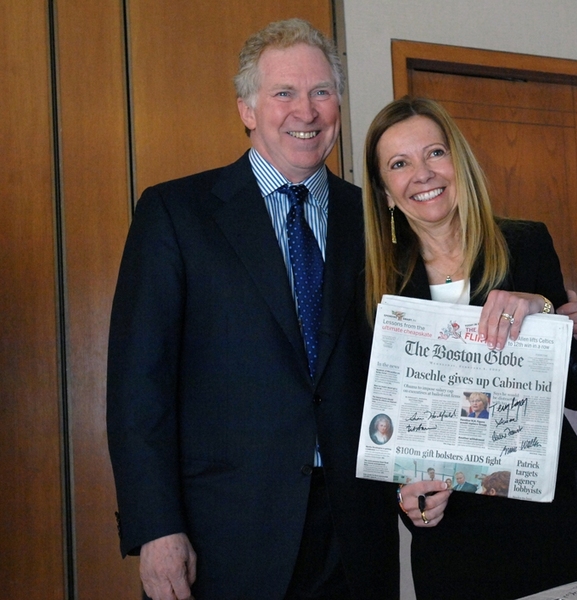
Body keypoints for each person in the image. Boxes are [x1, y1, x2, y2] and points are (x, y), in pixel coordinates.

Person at [106, 19, 399, 600]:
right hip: (223, 537)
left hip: (355, 534)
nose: (306, 111)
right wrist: (156, 528)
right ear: (247, 109)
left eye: (321, 92)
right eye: (284, 93)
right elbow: (139, 386)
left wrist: (539, 304)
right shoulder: (176, 213)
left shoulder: (374, 221)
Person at [362, 96, 577, 600]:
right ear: (384, 192)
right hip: (450, 532)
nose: (422, 174)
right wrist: (409, 503)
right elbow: (377, 424)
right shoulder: (376, 287)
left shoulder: (527, 243)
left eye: (434, 154)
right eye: (400, 165)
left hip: (542, 516)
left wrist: (545, 314)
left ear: (458, 163)